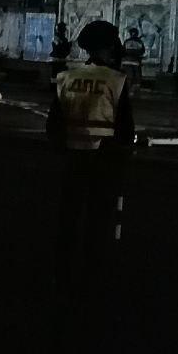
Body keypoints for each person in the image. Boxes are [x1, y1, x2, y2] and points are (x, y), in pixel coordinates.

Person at [47, 20, 135, 291]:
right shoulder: (116, 81)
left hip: (73, 159)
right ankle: (93, 275)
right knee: (99, 217)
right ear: (107, 48)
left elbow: (53, 127)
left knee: (69, 215)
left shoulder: (67, 78)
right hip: (104, 161)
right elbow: (125, 130)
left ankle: (62, 270)